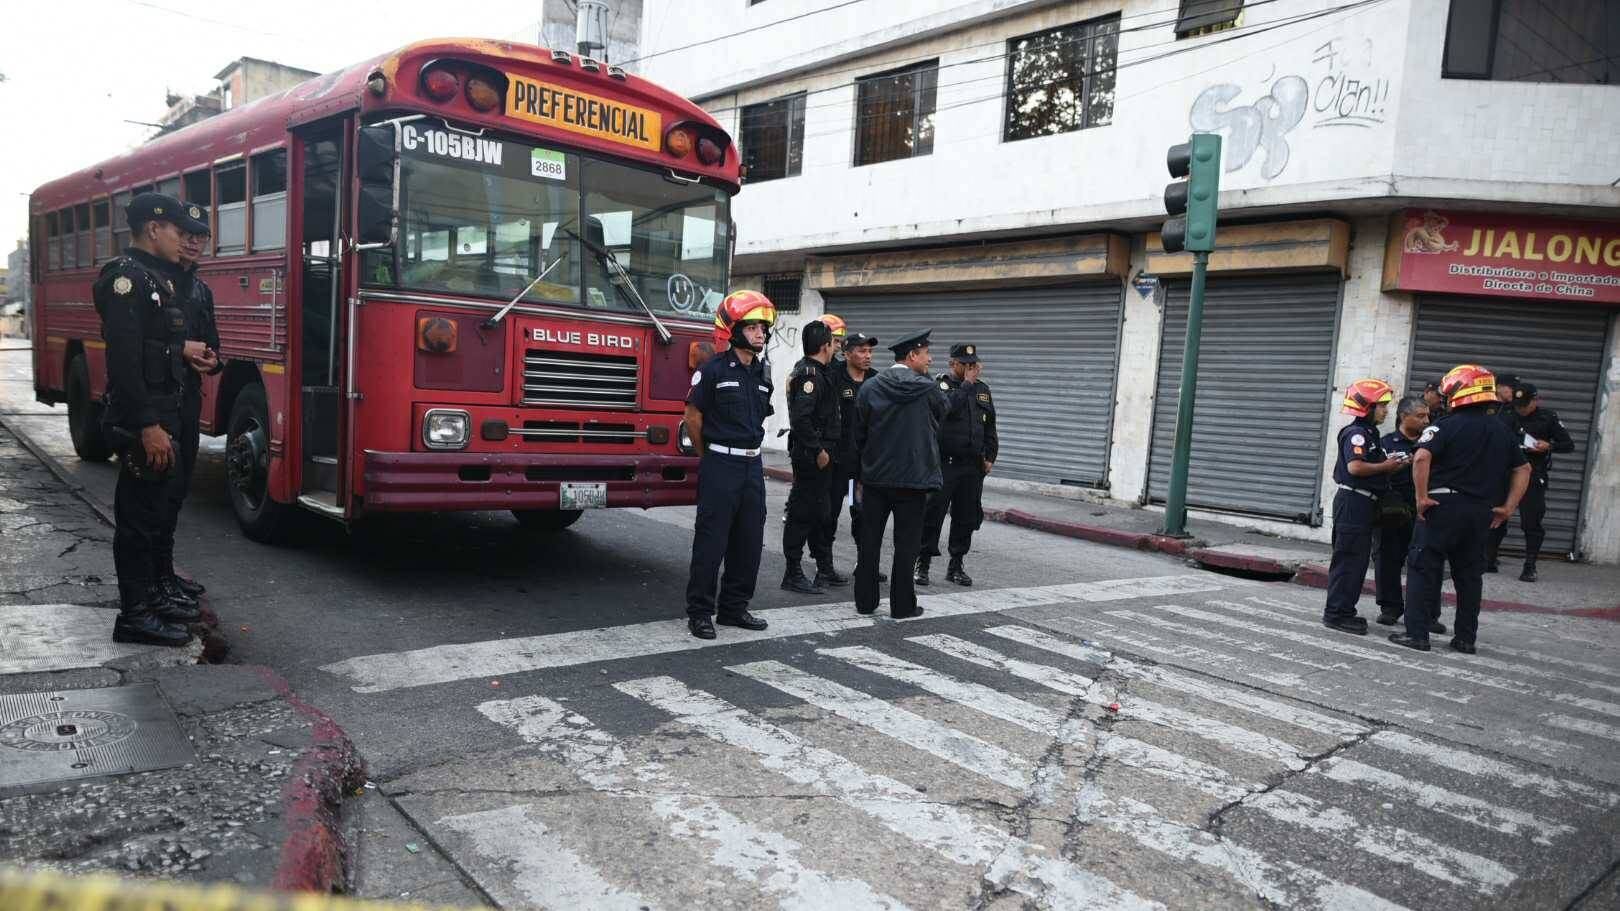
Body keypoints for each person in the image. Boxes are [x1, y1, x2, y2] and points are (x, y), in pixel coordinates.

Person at [95, 193, 202, 646]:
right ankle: (135, 615)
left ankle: (153, 599)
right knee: (138, 521)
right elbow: (125, 361)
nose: (184, 240)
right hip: (146, 420)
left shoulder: (156, 278)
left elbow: (155, 349)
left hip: (163, 413)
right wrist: (147, 424)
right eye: (178, 231)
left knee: (156, 513)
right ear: (154, 229)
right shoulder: (124, 279)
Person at [1393, 365, 1530, 654]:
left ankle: (1417, 634)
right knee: (1469, 576)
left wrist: (1421, 498)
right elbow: (1524, 469)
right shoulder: (1503, 431)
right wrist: (1508, 507)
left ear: (1458, 392)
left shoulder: (1443, 426)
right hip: (1481, 512)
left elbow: (1421, 458)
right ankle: (1466, 639)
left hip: (1442, 507)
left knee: (1423, 567)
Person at [683, 291, 777, 640]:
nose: (760, 334)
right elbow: (692, 417)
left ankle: (734, 608)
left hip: (752, 467)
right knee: (711, 543)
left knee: (749, 541)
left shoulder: (763, 373)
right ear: (733, 331)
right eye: (752, 327)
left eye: (763, 328)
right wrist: (708, 456)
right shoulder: (712, 370)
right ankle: (700, 613)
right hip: (720, 463)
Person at [852, 329, 948, 619]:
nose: (930, 359)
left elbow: (858, 433)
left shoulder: (870, 387)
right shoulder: (928, 388)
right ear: (912, 355)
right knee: (907, 545)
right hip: (913, 481)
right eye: (926, 353)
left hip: (875, 479)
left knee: (869, 541)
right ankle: (902, 605)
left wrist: (861, 472)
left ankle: (865, 601)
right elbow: (943, 412)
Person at [161, 208, 221, 608]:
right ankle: (153, 585)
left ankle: (165, 575)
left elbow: (212, 342)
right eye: (186, 234)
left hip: (187, 400)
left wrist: (211, 359)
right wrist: (181, 350)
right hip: (158, 400)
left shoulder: (201, 291)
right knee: (155, 494)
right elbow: (132, 345)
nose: (194, 242)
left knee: (178, 489)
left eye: (201, 236)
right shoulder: (152, 281)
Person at [1323, 379, 1407, 635]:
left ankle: (1345, 610)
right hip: (1353, 503)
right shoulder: (1356, 433)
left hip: (1363, 503)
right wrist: (1387, 466)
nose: (1386, 411)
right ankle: (1336, 614)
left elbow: (1371, 467)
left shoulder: (1370, 433)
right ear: (1366, 407)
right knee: (1348, 560)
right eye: (1381, 406)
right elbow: (1355, 467)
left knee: (1357, 561)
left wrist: (1393, 464)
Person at [917, 343, 997, 587]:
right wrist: (967, 384)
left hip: (972, 466)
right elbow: (947, 410)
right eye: (966, 364)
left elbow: (990, 426)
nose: (972, 368)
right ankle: (922, 563)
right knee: (932, 515)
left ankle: (956, 565)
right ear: (953, 364)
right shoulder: (940, 386)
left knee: (966, 517)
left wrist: (990, 456)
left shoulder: (982, 390)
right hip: (945, 464)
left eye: (974, 364)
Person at [781, 319, 843, 594]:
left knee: (821, 511)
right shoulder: (810, 375)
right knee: (802, 512)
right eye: (833, 343)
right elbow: (801, 418)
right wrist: (818, 450)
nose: (835, 348)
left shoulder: (819, 371)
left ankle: (823, 568)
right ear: (824, 346)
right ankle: (792, 572)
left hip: (820, 454)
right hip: (811, 456)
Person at [1491, 381, 1574, 582]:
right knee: (1496, 517)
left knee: (1531, 521)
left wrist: (1549, 446)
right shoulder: (1505, 414)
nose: (1521, 409)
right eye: (1518, 405)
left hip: (1533, 474)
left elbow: (1568, 444)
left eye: (1525, 405)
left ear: (1536, 401)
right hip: (1505, 473)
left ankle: (1530, 566)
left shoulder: (1548, 417)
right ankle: (1489, 558)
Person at [819, 328, 882, 580]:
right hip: (837, 461)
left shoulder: (876, 381)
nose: (868, 356)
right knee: (829, 513)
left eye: (870, 351)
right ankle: (824, 566)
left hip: (863, 465)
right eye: (862, 351)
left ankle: (865, 564)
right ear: (846, 354)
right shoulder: (833, 377)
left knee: (863, 514)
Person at [1374, 395, 1430, 628]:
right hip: (1394, 511)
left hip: (1424, 510)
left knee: (1426, 562)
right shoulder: (1386, 442)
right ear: (1404, 416)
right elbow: (1376, 473)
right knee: (1387, 559)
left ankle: (1427, 614)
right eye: (1420, 416)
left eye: (1427, 415)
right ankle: (1390, 607)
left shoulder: (1431, 441)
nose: (1426, 421)